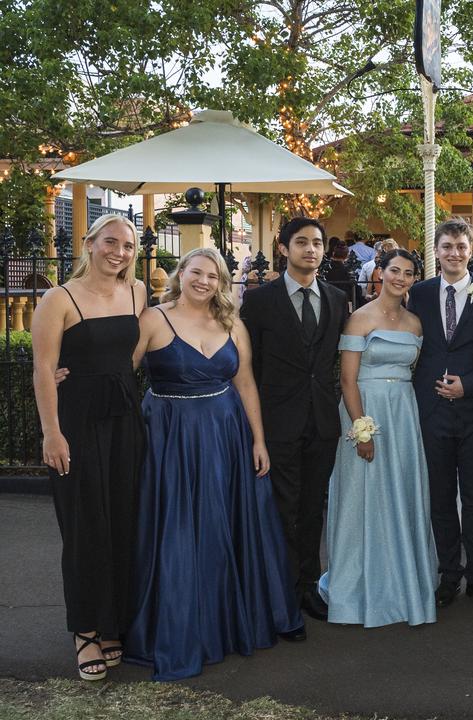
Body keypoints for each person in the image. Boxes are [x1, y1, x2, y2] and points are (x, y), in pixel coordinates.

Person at [125, 248, 303, 680]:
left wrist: (258, 440)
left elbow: (245, 385)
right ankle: (183, 629)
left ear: (222, 281)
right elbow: (121, 375)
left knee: (226, 526)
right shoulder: (152, 319)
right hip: (171, 438)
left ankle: (226, 623)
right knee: (179, 531)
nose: (204, 281)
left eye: (214, 275)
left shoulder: (232, 324)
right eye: (197, 272)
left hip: (227, 436)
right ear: (181, 274)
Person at [32, 214, 147, 681]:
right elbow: (43, 370)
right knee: (83, 525)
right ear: (90, 243)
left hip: (125, 419)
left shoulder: (138, 292)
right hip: (76, 422)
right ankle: (84, 631)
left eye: (128, 245)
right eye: (111, 242)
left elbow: (136, 354)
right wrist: (51, 432)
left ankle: (112, 621)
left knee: (122, 519)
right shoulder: (58, 299)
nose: (119, 252)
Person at [240, 217, 351, 626]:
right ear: (284, 248)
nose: (311, 249)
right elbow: (246, 366)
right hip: (277, 422)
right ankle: (281, 596)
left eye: (318, 242)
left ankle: (306, 587)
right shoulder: (259, 301)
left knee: (311, 510)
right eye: (301, 242)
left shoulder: (338, 299)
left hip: (323, 422)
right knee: (281, 509)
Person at [319, 249, 438, 627]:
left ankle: (402, 581)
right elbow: (347, 380)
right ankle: (359, 589)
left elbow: (410, 371)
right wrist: (361, 429)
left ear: (414, 279)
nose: (400, 278)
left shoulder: (416, 324)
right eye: (394, 271)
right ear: (380, 274)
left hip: (403, 414)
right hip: (364, 409)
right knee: (363, 496)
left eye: (408, 273)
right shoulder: (358, 319)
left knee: (401, 494)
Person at [407, 218, 473, 611]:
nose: (454, 253)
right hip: (432, 412)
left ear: (472, 251)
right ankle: (448, 576)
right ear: (436, 250)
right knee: (439, 499)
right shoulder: (417, 294)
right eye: (447, 246)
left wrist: (469, 384)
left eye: (461, 247)